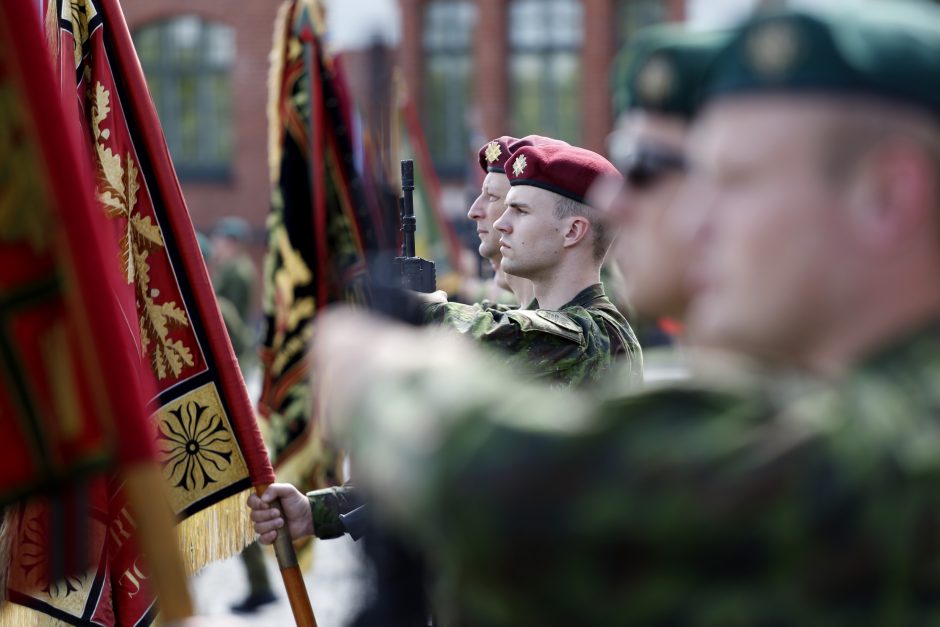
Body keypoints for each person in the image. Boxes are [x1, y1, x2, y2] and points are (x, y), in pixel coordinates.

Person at [255, 4, 940, 625]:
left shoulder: (897, 448)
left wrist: (388, 373)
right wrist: (327, 506)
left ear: (887, 195)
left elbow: (535, 486)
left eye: (733, 180)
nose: (684, 216)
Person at [425, 143, 643, 388]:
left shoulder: (594, 334)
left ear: (572, 231)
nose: (500, 224)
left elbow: (514, 333)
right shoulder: (558, 326)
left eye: (520, 211)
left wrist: (425, 311)